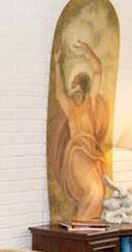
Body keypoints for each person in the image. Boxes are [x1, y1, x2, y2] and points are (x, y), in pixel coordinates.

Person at [48, 37, 112, 222]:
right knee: (94, 189)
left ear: (83, 86)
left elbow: (98, 70)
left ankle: (86, 225)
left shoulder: (91, 102)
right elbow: (59, 92)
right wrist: (57, 62)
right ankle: (83, 224)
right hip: (76, 151)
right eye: (72, 83)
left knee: (98, 191)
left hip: (91, 151)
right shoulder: (70, 107)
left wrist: (88, 51)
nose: (72, 86)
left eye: (76, 83)